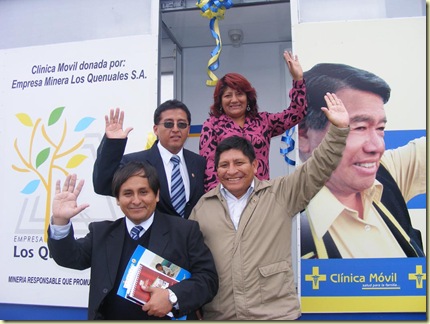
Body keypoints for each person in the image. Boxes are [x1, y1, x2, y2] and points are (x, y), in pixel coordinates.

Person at [189, 92, 349, 320]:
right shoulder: (203, 208)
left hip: (274, 315)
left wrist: (338, 131)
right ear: (216, 170)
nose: (232, 171)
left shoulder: (280, 194)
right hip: (221, 316)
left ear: (255, 164)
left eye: (239, 163)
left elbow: (318, 167)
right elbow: (194, 262)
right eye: (224, 165)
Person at [48, 161, 218, 320]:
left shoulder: (184, 231)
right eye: (127, 193)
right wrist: (60, 221)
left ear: (157, 195)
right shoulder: (101, 233)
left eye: (143, 192)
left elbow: (207, 279)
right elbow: (69, 258)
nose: (136, 201)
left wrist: (172, 297)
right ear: (117, 199)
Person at [298, 63, 425, 259]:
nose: (377, 147)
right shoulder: (286, 224)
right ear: (304, 135)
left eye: (380, 128)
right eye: (359, 128)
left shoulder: (386, 174)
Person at [199, 50, 307, 192]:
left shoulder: (263, 121)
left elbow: (297, 113)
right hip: (227, 197)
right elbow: (210, 168)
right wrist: (218, 202)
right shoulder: (211, 125)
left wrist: (298, 79)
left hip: (261, 196)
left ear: (248, 97)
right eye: (227, 96)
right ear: (220, 101)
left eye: (239, 94)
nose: (234, 100)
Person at [93, 99, 206, 219]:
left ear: (188, 130)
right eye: (168, 124)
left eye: (181, 124)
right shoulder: (135, 162)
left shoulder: (199, 163)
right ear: (155, 129)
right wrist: (113, 143)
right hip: (152, 236)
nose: (175, 129)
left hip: (192, 235)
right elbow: (103, 186)